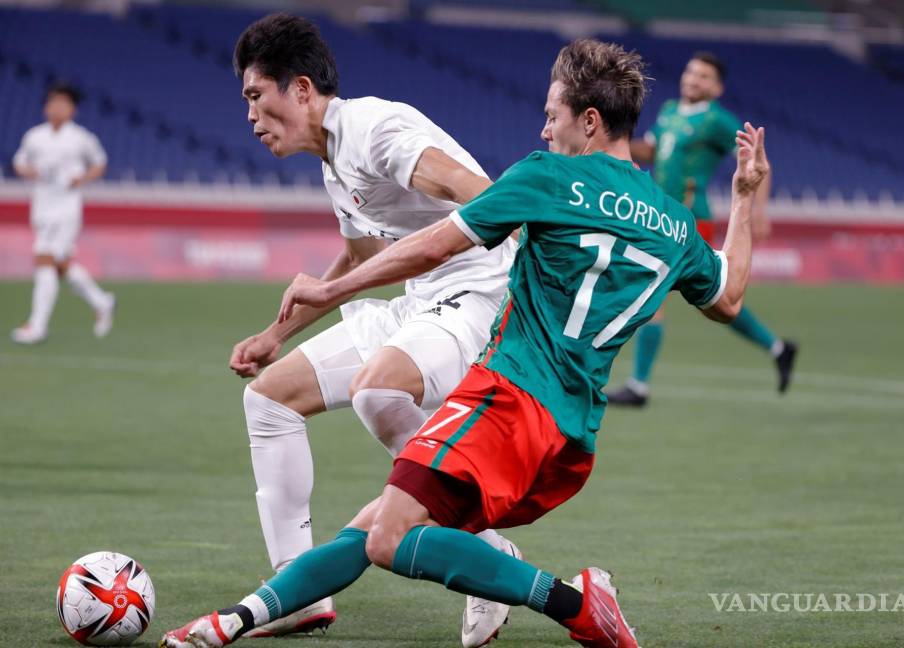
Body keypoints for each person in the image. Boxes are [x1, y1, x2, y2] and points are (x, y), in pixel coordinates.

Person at [161, 38, 769, 648]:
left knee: (388, 534)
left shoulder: (547, 176)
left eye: (553, 115)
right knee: (374, 526)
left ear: (589, 121)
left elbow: (434, 244)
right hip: (571, 435)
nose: (544, 128)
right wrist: (743, 199)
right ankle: (233, 622)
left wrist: (331, 291)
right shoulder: (674, 225)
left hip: (507, 397)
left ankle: (578, 603)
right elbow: (728, 297)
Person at [225, 14, 519, 644]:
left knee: (376, 390)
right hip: (422, 300)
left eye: (256, 95)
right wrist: (276, 335)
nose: (249, 115)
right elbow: (361, 260)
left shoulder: (375, 128)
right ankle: (296, 591)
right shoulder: (335, 159)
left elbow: (488, 199)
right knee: (269, 398)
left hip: (480, 295)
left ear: (301, 89)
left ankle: (490, 557)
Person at [607, 51, 797, 407]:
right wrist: (608, 141)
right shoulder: (669, 113)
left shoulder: (716, 120)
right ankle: (778, 347)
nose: (694, 79)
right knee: (716, 298)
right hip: (660, 217)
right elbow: (651, 151)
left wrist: (758, 209)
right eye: (691, 72)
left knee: (656, 290)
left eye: (704, 76)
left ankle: (638, 386)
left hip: (691, 219)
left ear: (718, 87)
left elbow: (758, 161)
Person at [11, 82, 114, 345]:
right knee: (60, 265)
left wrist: (82, 178)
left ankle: (37, 325)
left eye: (62, 103)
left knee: (44, 261)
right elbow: (20, 163)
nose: (56, 108)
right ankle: (102, 301)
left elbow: (99, 164)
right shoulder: (35, 136)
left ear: (72, 109)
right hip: (42, 207)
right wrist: (28, 171)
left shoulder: (81, 137)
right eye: (52, 103)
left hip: (67, 208)